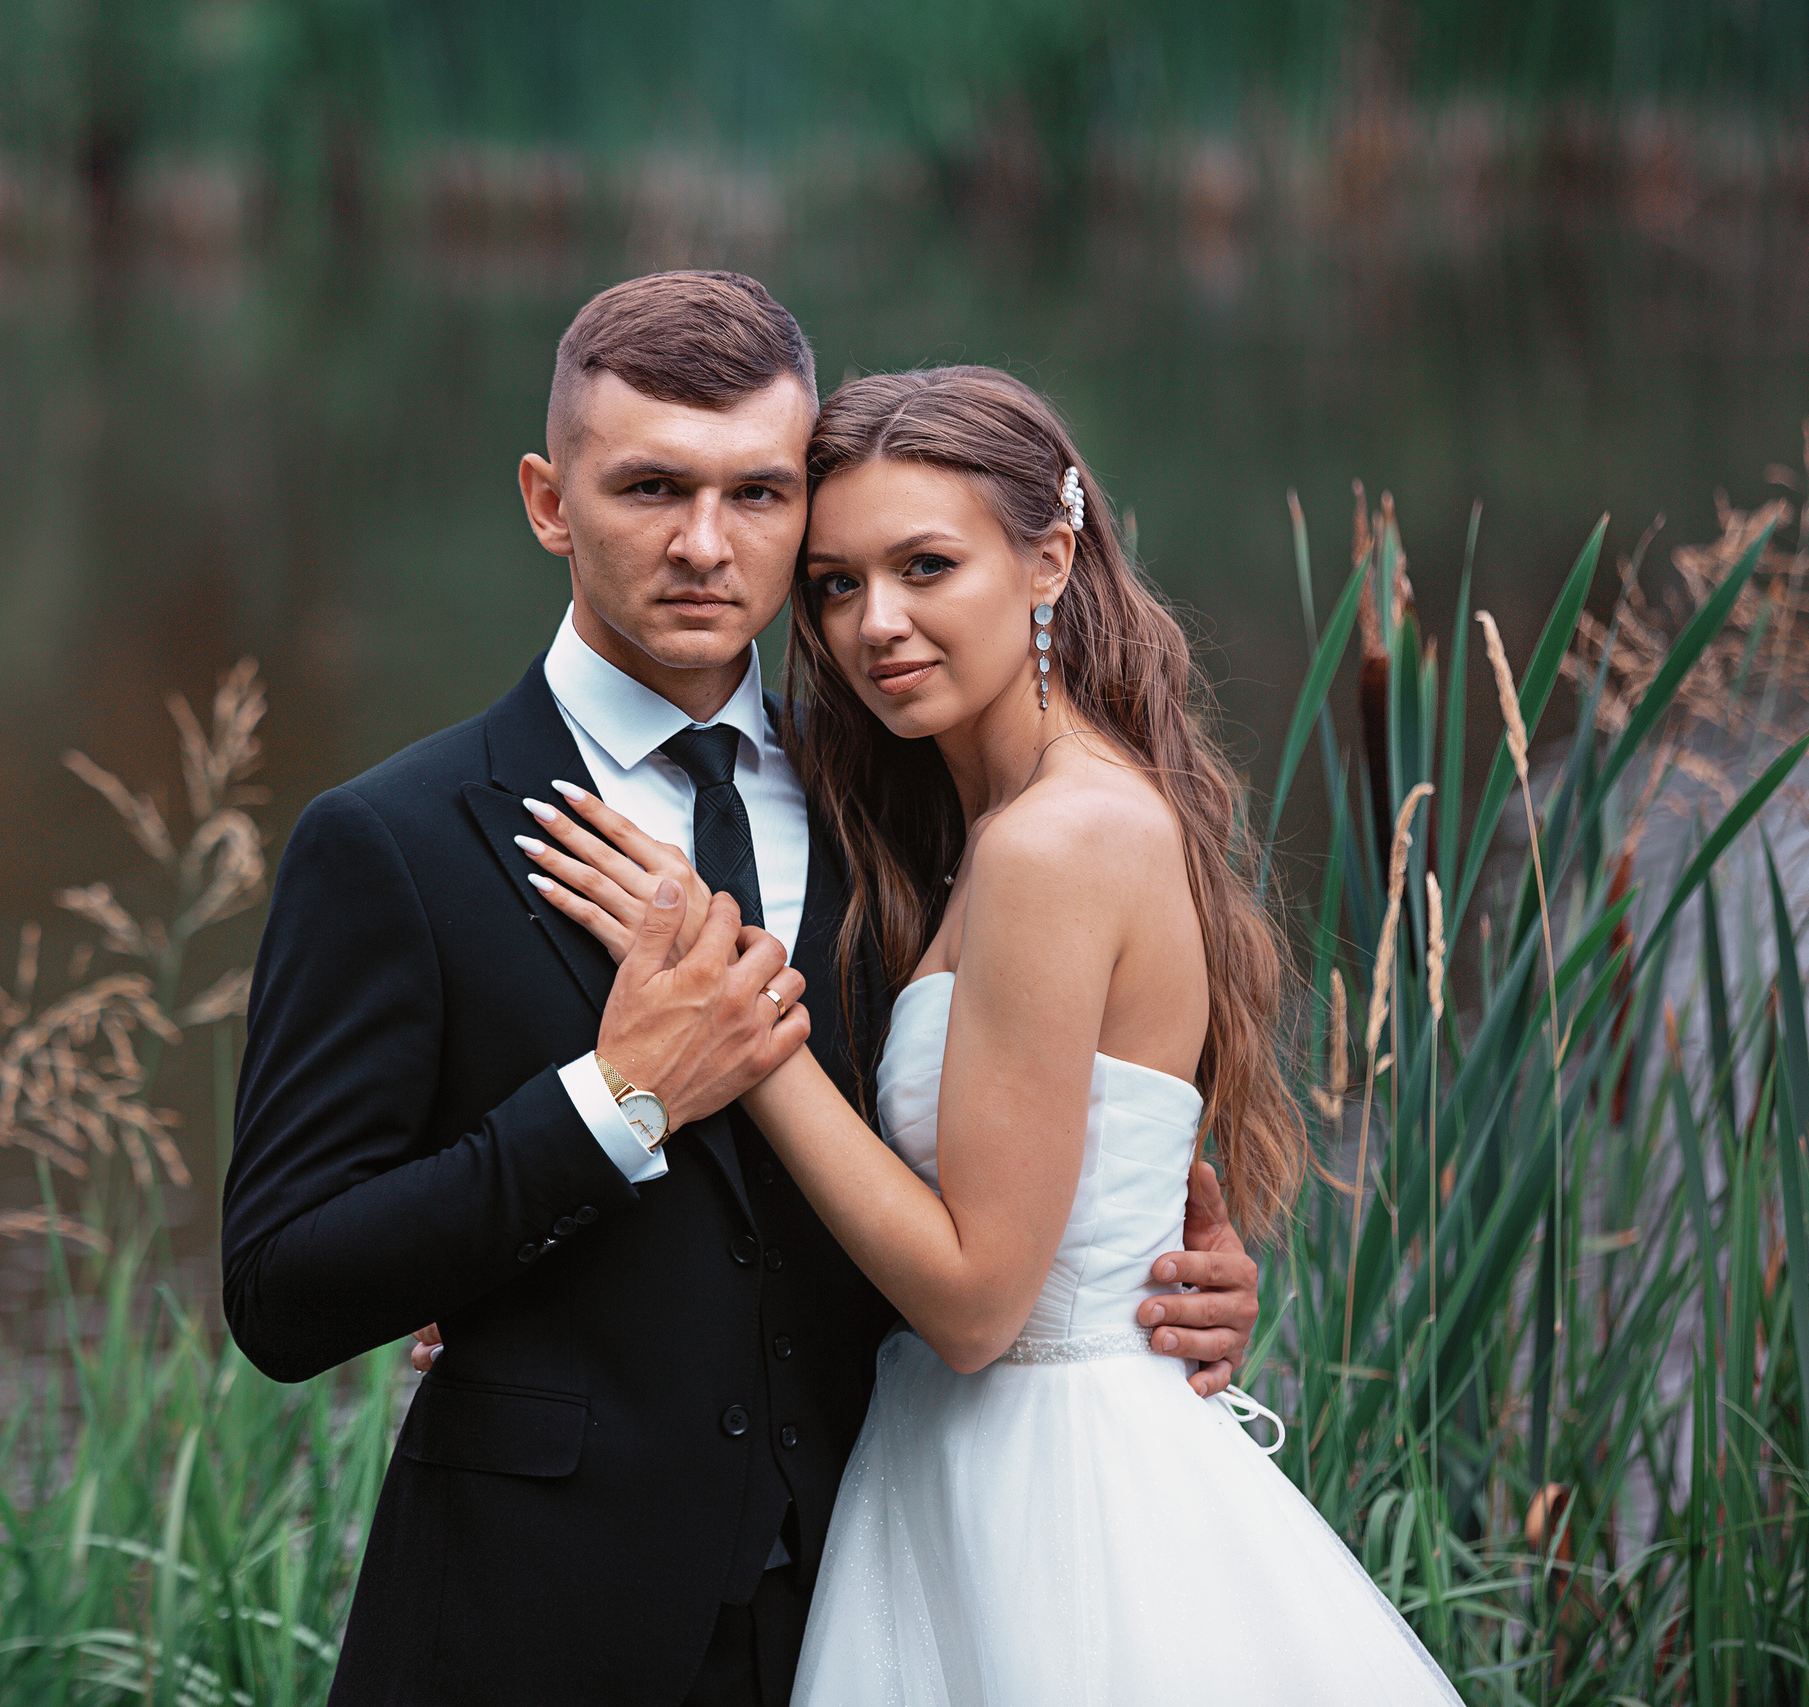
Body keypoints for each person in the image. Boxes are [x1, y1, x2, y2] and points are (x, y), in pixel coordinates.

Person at [219, 276, 1264, 1707]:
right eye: (651, 486)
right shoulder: (397, 843)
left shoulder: (910, 822)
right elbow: (283, 1290)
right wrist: (609, 1106)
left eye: (761, 496)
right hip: (530, 1634)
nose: (707, 546)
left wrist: (1162, 1280)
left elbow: (1003, 1186)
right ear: (547, 499)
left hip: (882, 1596)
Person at [521, 363, 1463, 1703]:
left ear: (1051, 558)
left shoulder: (1054, 843)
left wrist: (737, 1018)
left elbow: (975, 1305)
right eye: (837, 584)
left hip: (1054, 1498)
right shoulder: (956, 832)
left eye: (925, 567)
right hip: (960, 1465)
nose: (875, 626)